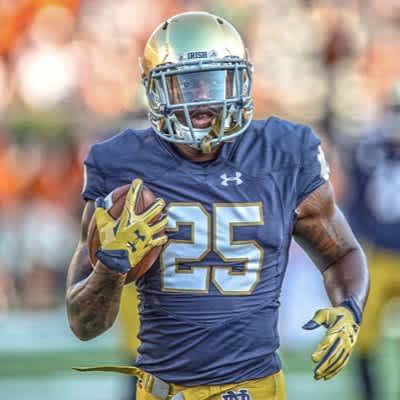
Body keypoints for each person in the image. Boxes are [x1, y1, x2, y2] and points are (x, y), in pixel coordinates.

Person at [66, 12, 369, 400]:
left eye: (213, 81)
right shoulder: (121, 164)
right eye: (185, 85)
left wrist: (349, 310)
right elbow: (84, 325)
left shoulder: (283, 153)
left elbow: (341, 253)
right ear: (155, 90)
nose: (203, 99)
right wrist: (110, 267)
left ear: (239, 80)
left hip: (253, 390)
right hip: (162, 391)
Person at [345, 100, 400, 400]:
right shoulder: (369, 152)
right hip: (377, 254)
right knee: (363, 331)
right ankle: (369, 394)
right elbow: (355, 202)